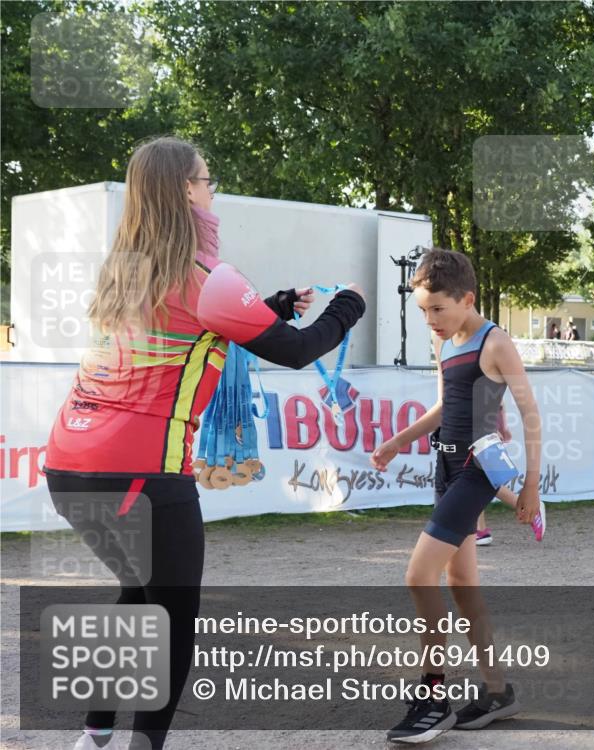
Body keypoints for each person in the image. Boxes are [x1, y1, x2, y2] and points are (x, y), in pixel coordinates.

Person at [43, 136, 366, 750]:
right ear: (185, 191)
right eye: (207, 181)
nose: (213, 192)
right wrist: (349, 306)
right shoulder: (207, 277)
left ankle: (94, 734)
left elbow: (193, 329)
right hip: (142, 472)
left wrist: (270, 308)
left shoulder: (123, 271)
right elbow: (298, 351)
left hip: (68, 466)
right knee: (170, 621)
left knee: (138, 593)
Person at [370, 248, 541, 743]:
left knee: (418, 575)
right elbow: (446, 405)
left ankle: (433, 696)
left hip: (475, 472)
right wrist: (398, 440)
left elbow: (530, 414)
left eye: (438, 309)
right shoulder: (444, 341)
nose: (430, 320)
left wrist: (530, 485)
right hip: (445, 469)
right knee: (463, 585)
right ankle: (498, 692)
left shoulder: (496, 342)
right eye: (423, 310)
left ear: (467, 298)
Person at [474, 404, 546, 547]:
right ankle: (479, 529)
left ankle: (529, 509)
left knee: (477, 476)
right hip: (471, 424)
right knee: (475, 476)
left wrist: (498, 426)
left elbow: (495, 398)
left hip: (474, 425)